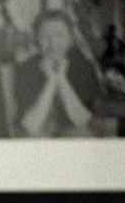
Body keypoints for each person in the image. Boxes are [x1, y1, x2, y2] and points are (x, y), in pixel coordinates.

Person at [14, 9, 100, 137]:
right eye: (45, 36)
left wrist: (61, 78)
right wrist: (51, 80)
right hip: (38, 133)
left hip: (73, 131)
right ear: (36, 39)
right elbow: (31, 126)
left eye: (59, 35)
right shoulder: (27, 68)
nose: (53, 43)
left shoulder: (83, 66)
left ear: (70, 39)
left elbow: (81, 120)